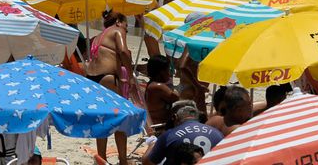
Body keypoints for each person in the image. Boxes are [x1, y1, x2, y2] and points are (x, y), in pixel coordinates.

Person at [86, 12, 132, 165]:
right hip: (107, 77)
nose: (127, 29)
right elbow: (123, 51)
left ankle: (102, 158)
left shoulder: (98, 36)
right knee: (119, 118)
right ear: (119, 21)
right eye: (126, 25)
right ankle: (123, 160)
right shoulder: (118, 31)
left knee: (101, 119)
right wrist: (130, 73)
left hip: (92, 78)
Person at [142, 101, 222, 165]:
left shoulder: (169, 135)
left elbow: (148, 162)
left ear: (175, 117)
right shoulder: (217, 134)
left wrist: (153, 144)